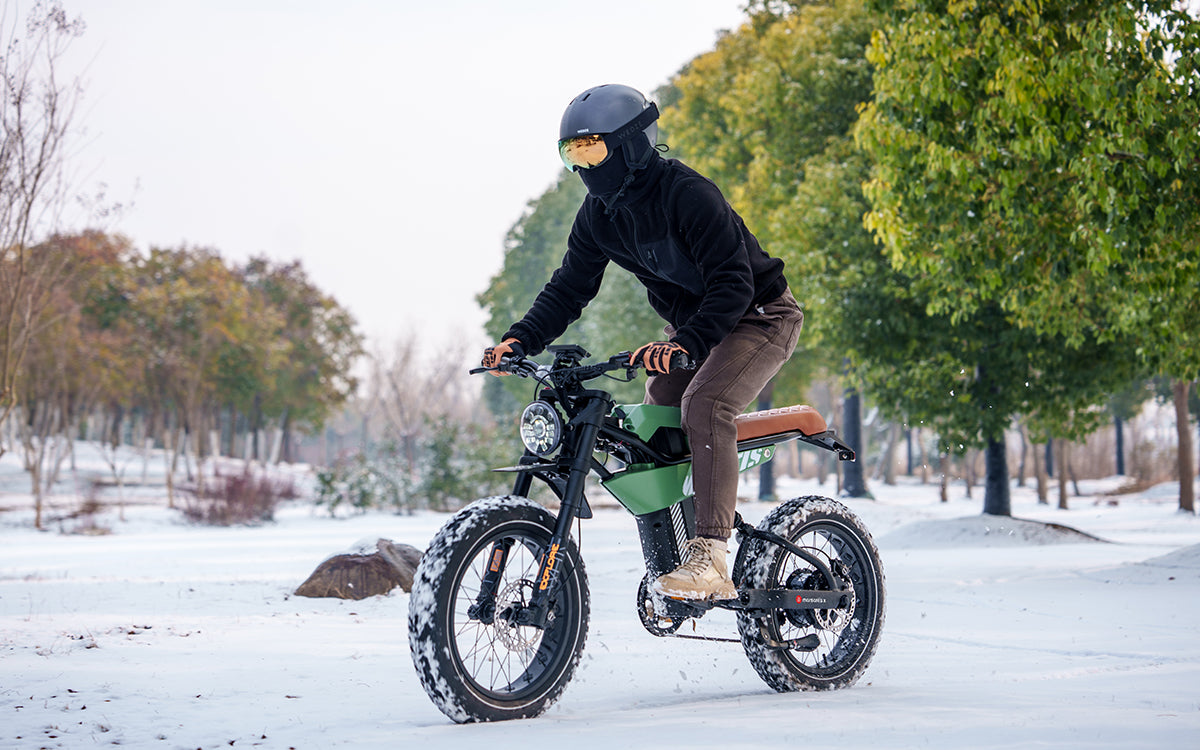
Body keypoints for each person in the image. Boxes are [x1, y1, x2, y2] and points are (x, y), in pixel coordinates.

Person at [482, 83, 803, 601]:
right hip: (695, 329)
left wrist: (687, 342)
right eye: (573, 153)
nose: (584, 165)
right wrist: (521, 338)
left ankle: (710, 555)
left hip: (759, 316)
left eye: (592, 149)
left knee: (706, 405)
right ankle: (674, 554)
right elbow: (569, 288)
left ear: (630, 144)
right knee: (655, 418)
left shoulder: (687, 194)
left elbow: (733, 283)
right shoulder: (598, 214)